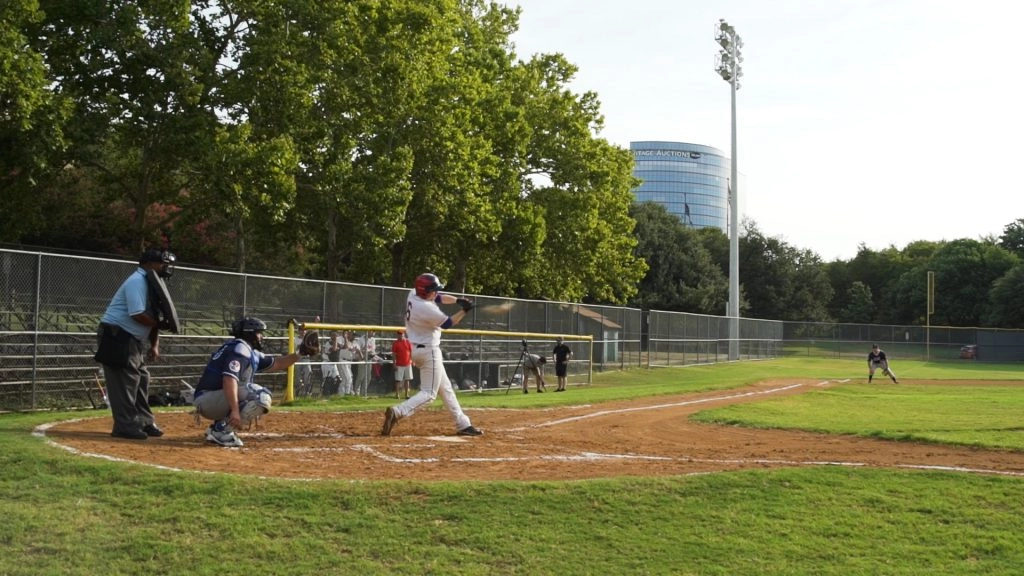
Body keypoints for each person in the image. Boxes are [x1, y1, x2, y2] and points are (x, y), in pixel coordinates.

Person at [381, 273, 481, 437]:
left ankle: (463, 424)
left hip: (416, 349)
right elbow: (448, 323)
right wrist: (464, 311)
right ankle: (398, 411)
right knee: (429, 394)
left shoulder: (413, 294)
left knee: (446, 389)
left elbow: (439, 297)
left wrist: (457, 300)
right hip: (429, 352)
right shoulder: (427, 309)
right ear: (425, 291)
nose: (435, 292)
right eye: (432, 290)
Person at [94, 248, 177, 440]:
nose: (167, 267)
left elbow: (155, 318)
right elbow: (138, 314)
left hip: (134, 339)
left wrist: (154, 345)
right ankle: (124, 426)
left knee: (141, 379)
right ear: (148, 264)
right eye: (162, 263)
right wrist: (159, 325)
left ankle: (144, 422)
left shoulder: (153, 283)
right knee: (124, 382)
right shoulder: (137, 281)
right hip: (118, 336)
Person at [193, 317, 315, 447]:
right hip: (209, 400)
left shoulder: (245, 349)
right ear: (249, 333)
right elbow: (229, 379)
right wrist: (235, 410)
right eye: (259, 333)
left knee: (251, 391)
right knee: (261, 397)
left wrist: (300, 353)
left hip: (209, 398)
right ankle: (222, 431)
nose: (262, 336)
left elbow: (278, 363)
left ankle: (218, 427)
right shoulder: (241, 349)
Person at [391, 329, 413, 399]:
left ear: (404, 334)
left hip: (407, 363)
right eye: (399, 334)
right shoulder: (395, 343)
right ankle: (397, 394)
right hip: (399, 364)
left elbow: (411, 352)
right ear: (397, 335)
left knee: (407, 379)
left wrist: (413, 360)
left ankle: (406, 394)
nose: (400, 336)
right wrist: (394, 363)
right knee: (398, 380)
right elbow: (394, 354)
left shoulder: (408, 342)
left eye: (402, 334)